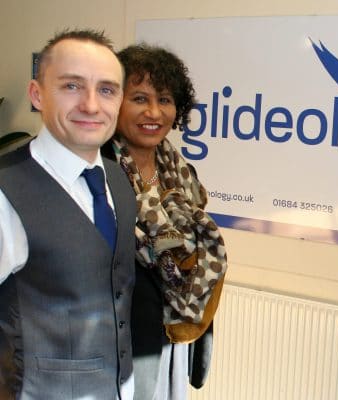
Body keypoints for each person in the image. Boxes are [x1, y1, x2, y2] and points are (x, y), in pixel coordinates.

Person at [0, 29, 136, 399]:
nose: (91, 105)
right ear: (37, 94)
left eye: (106, 89)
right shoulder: (6, 191)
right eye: (72, 86)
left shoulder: (118, 181)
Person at [101, 43, 227, 400]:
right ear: (115, 101)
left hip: (172, 332)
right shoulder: (97, 173)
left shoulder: (183, 175)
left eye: (165, 99)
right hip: (114, 340)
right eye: (139, 98)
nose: (154, 112)